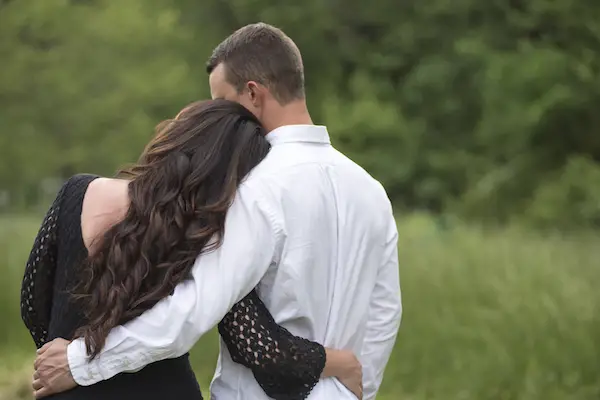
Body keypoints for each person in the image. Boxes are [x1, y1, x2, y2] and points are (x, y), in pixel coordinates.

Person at [33, 22, 402, 400]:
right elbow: (383, 317)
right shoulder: (371, 191)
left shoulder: (255, 188)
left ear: (253, 94)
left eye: (221, 101)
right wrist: (357, 391)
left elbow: (191, 311)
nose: (217, 115)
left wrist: (81, 362)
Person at [21, 100, 363, 400]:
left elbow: (33, 304)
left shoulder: (77, 194)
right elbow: (263, 352)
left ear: (175, 136)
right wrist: (340, 363)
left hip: (64, 387)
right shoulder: (205, 237)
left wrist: (63, 349)